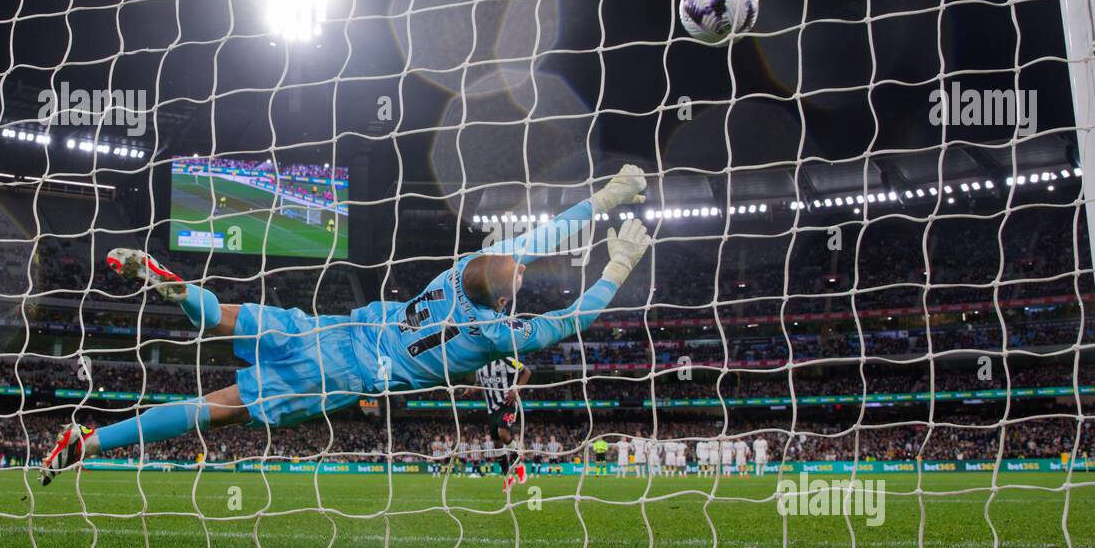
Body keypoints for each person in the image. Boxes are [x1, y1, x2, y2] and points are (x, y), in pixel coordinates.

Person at [41, 166, 651, 484]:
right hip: (341, 370)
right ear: (501, 295)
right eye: (517, 270)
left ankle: (162, 280)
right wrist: (618, 263)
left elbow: (538, 239)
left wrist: (604, 199)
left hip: (331, 327)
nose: (522, 265)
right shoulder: (495, 334)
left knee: (224, 318)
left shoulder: (460, 270)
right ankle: (90, 445)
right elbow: (571, 319)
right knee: (217, 406)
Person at [474, 354, 530, 491]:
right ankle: (508, 478)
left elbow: (526, 372)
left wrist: (516, 389)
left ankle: (519, 464)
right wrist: (472, 388)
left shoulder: (506, 359)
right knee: (497, 444)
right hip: (491, 410)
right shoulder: (478, 365)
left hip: (508, 404)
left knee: (503, 433)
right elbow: (479, 383)